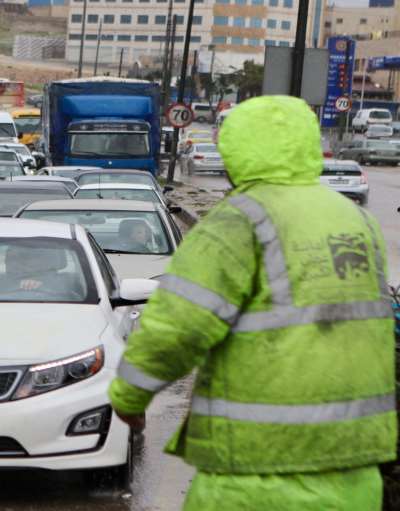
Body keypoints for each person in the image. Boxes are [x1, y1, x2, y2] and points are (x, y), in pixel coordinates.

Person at [108, 96, 396, 509]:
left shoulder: (239, 221)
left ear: (237, 151)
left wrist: (130, 397)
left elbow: (178, 327)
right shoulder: (359, 222)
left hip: (258, 473)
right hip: (356, 473)